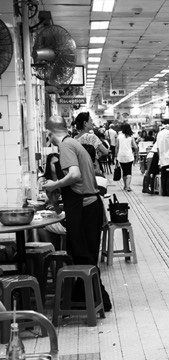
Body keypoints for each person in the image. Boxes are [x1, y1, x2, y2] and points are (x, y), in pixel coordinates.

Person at [43, 115, 112, 311]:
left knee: (83, 257)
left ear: (49, 133)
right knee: (84, 256)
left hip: (85, 208)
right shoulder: (75, 143)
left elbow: (74, 175)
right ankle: (84, 298)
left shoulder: (66, 146)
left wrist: (53, 184)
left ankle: (100, 300)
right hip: (90, 206)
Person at [152, 119, 169, 196]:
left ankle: (164, 192)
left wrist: (160, 157)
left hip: (163, 158)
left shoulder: (159, 134)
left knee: (164, 176)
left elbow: (157, 147)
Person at [116, 123, 138, 192]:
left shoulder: (119, 136)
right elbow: (135, 146)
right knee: (129, 171)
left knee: (124, 171)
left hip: (121, 156)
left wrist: (116, 156)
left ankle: (125, 185)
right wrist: (136, 153)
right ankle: (128, 186)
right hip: (129, 156)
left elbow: (117, 147)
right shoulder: (131, 137)